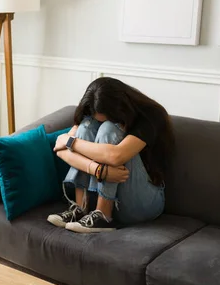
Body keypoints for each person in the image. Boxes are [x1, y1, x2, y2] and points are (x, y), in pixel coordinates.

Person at [47, 77, 175, 233]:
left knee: (108, 129)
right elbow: (61, 152)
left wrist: (70, 142)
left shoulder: (151, 115)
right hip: (107, 192)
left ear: (121, 108)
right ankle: (82, 209)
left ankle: (104, 216)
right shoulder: (90, 111)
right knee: (86, 127)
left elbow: (116, 156)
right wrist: (99, 171)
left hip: (143, 201)